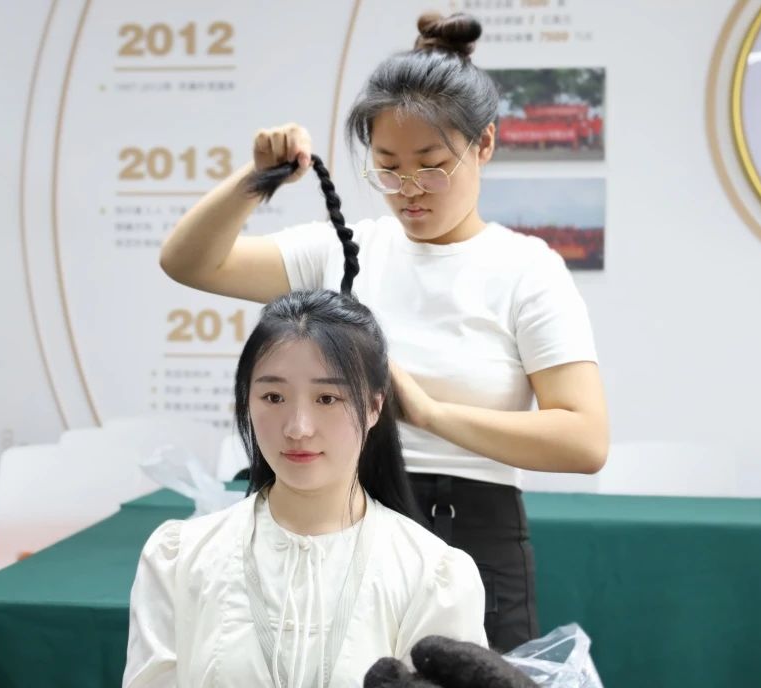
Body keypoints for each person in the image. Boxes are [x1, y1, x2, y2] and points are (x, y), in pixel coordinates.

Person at [157, 11, 608, 652]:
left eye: (432, 165)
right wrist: (256, 181)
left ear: (484, 144)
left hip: (468, 531)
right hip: (333, 521)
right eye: (388, 167)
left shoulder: (527, 269)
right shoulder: (344, 250)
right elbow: (188, 262)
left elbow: (584, 440)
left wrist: (427, 413)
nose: (409, 189)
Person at [112, 159, 487, 688]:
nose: (298, 427)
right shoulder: (180, 559)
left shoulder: (432, 574)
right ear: (245, 401)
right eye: (272, 397)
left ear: (374, 406)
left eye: (328, 399)